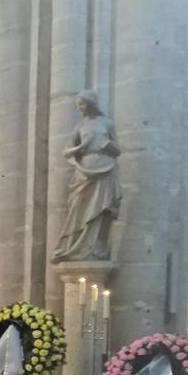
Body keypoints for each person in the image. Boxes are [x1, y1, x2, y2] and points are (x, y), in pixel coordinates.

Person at [51, 90, 122, 264]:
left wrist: (107, 145)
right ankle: (72, 248)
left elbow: (118, 149)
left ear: (91, 103)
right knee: (77, 206)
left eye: (82, 104)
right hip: (84, 170)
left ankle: (95, 250)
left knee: (101, 211)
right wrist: (79, 148)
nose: (80, 108)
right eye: (78, 105)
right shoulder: (80, 127)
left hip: (105, 167)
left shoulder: (107, 123)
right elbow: (66, 151)